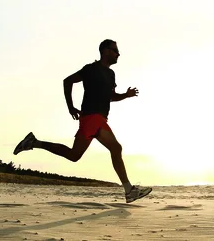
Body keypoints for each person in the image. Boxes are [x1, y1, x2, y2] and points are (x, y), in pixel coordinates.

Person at [13, 39, 152, 203]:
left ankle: (34, 143)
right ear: (105, 51)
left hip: (98, 118)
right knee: (100, 151)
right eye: (115, 50)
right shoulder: (91, 69)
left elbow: (110, 96)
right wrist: (70, 107)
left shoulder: (110, 74)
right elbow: (68, 81)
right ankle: (129, 190)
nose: (118, 54)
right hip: (91, 117)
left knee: (90, 152)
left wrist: (125, 95)